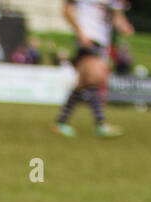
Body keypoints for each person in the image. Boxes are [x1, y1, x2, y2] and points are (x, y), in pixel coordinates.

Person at [53, 0, 132, 138]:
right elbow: (66, 10)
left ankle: (61, 122)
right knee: (96, 77)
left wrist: (124, 26)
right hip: (87, 39)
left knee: (83, 83)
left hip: (102, 42)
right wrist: (80, 32)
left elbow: (116, 15)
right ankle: (100, 124)